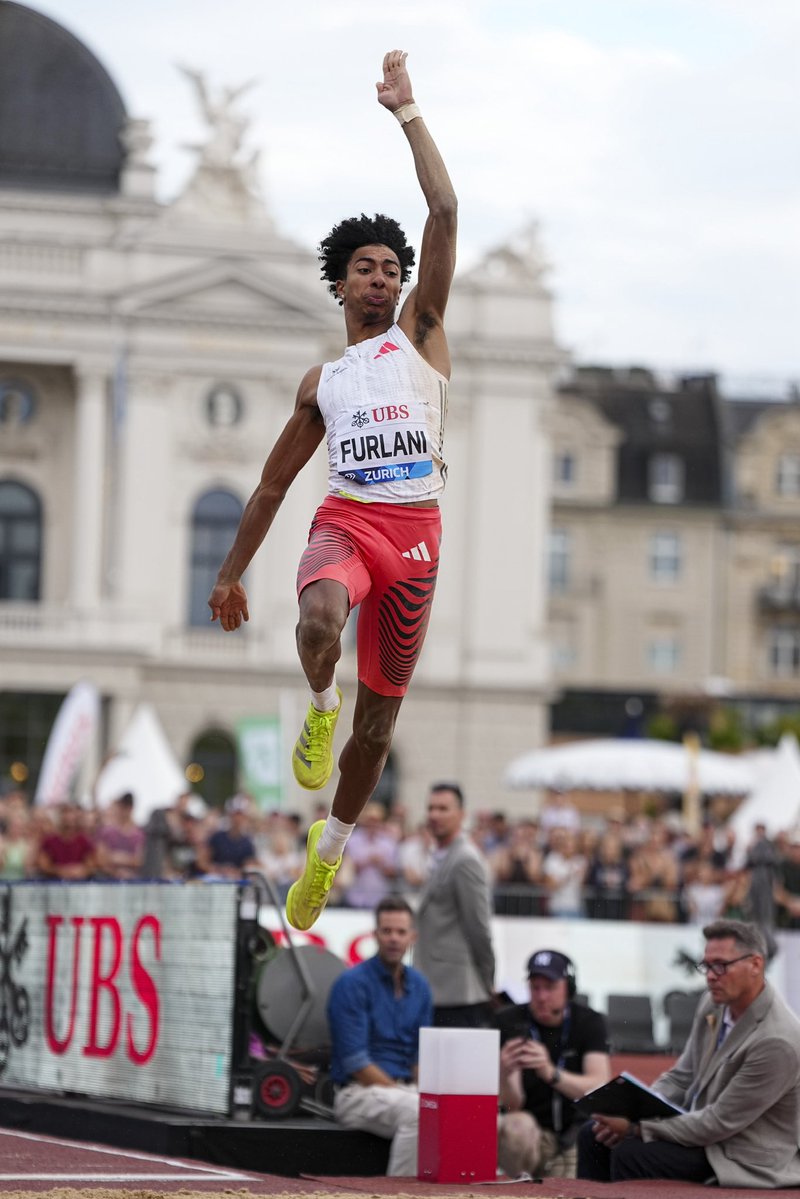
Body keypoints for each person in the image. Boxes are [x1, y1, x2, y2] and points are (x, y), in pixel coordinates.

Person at [207, 49, 457, 933]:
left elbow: (444, 209)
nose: (383, 277)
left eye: (392, 267)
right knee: (318, 622)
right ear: (341, 284)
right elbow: (273, 484)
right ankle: (320, 705)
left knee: (379, 732)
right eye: (367, 267)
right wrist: (230, 572)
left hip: (414, 539)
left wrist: (407, 113)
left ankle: (328, 849)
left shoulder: (421, 336)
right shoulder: (325, 382)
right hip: (348, 521)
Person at [578, 919, 800, 1188]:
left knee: (631, 1152)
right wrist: (633, 1110)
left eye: (721, 965)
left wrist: (637, 1128)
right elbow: (682, 1077)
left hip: (744, 1157)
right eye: (706, 965)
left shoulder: (777, 1040)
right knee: (593, 1136)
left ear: (755, 965)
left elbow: (718, 1122)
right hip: (710, 1135)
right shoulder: (713, 1004)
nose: (710, 976)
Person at [326, 895, 432, 1176]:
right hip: (357, 1092)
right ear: (374, 935)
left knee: (460, 1114)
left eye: (400, 932)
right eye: (387, 931)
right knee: (421, 1113)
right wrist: (407, 1093)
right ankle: (398, 1194)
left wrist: (427, 1094)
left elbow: (420, 1057)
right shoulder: (352, 983)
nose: (394, 938)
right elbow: (355, 1062)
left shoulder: (420, 986)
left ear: (412, 937)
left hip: (405, 1090)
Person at [495, 950, 610, 1179]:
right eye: (535, 987)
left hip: (575, 1132)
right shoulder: (509, 1021)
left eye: (550, 987)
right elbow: (511, 1105)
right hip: (532, 1133)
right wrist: (505, 1073)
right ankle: (515, 1188)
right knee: (515, 1126)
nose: (541, 996)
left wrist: (550, 1073)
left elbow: (599, 1088)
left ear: (569, 987)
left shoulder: (589, 1022)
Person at [413, 782, 495, 1027]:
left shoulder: (465, 860)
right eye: (431, 808)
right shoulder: (441, 854)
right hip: (438, 986)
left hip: (457, 991)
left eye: (443, 809)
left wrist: (487, 980)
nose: (434, 815)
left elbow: (478, 927)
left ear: (461, 814)